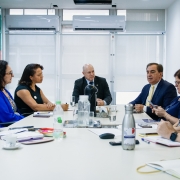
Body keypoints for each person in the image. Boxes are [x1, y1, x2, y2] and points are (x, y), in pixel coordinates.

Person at [0, 60, 24, 125]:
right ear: (1, 74)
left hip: (14, 124)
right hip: (6, 129)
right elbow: (6, 118)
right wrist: (24, 119)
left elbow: (15, 111)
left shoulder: (4, 90)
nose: (12, 75)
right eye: (10, 73)